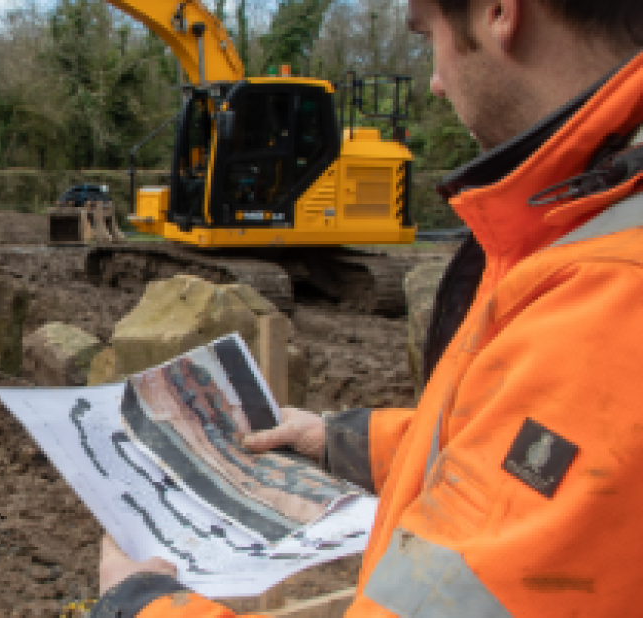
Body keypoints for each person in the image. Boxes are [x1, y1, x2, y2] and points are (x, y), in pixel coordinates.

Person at [93, 0, 643, 615]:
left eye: (426, 32)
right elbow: (503, 439)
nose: (434, 81)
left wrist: (138, 604)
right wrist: (342, 443)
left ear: (499, 13)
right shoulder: (587, 226)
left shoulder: (606, 299)